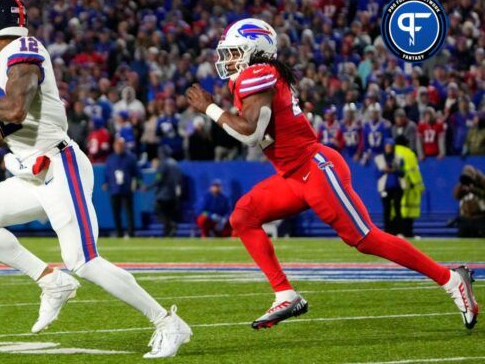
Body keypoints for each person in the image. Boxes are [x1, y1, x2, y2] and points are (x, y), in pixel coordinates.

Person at [0, 0, 190, 358]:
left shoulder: (23, 52)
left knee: (84, 259)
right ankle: (51, 281)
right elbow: (15, 130)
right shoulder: (6, 59)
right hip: (32, 172)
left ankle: (167, 322)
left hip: (59, 167)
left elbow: (16, 110)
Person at [185, 18, 478, 330]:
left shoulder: (259, 73)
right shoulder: (252, 76)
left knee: (365, 238)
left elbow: (250, 134)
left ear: (255, 50)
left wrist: (210, 109)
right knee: (243, 216)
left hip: (316, 168)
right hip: (293, 176)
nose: (227, 60)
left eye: (233, 52)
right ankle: (285, 293)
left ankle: (450, 279)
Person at [103, 137, 140, 238]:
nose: (119, 147)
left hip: (126, 189)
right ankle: (119, 233)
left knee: (129, 212)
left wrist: (138, 184)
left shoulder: (131, 158)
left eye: (121, 145)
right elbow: (107, 173)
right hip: (114, 190)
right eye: (117, 145)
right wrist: (106, 183)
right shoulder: (110, 159)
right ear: (114, 146)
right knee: (116, 213)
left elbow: (137, 173)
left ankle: (131, 232)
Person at [394, 135, 424, 238]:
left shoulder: (392, 151)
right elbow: (413, 171)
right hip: (408, 185)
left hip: (393, 184)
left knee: (395, 209)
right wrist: (419, 185)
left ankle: (397, 232)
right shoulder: (408, 153)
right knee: (409, 209)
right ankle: (407, 232)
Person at [373, 139, 404, 235]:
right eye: (387, 146)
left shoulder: (399, 158)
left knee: (397, 209)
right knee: (387, 210)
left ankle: (399, 231)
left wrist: (395, 170)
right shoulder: (379, 159)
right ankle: (387, 231)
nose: (388, 148)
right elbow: (377, 175)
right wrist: (384, 170)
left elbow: (403, 173)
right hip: (384, 187)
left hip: (397, 187)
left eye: (390, 146)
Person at [150, 146, 182, 237]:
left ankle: (171, 225)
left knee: (159, 211)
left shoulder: (163, 164)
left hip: (163, 194)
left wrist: (149, 187)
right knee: (169, 214)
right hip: (174, 194)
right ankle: (167, 233)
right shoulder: (175, 163)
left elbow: (159, 179)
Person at [452, 165, 485, 237]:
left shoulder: (482, 181)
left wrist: (474, 189)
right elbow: (456, 196)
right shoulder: (463, 184)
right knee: (463, 240)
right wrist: (462, 183)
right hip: (465, 218)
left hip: (480, 218)